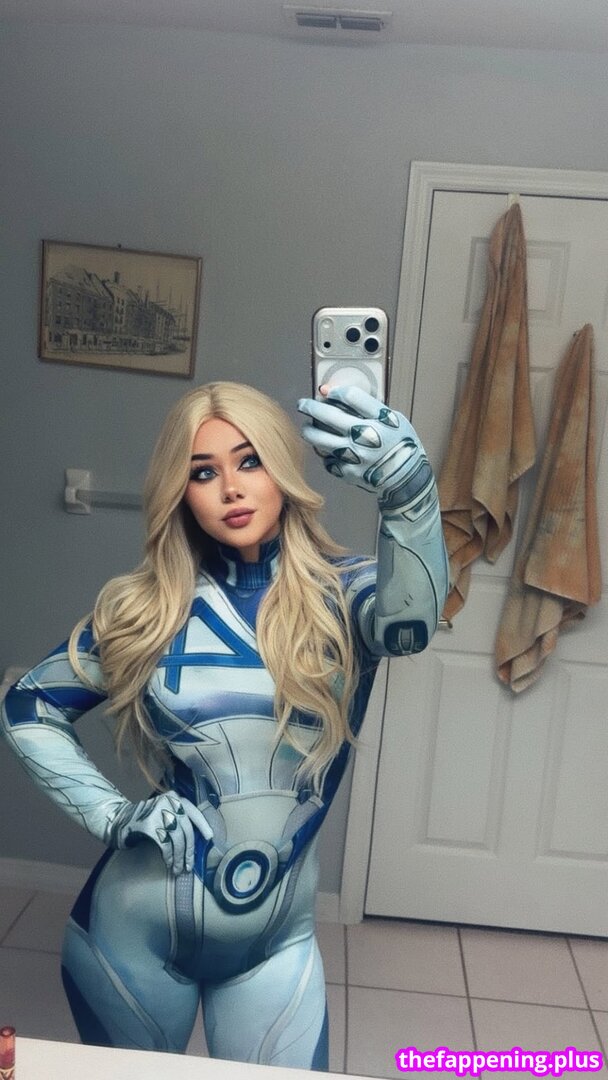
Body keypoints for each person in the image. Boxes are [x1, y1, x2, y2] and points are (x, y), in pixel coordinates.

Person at [0, 380, 448, 1069]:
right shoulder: (143, 609)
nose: (231, 488)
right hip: (131, 938)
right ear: (180, 492)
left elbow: (410, 625)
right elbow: (28, 705)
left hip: (274, 944)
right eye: (203, 472)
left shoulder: (345, 594)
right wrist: (113, 816)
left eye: (250, 461)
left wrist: (410, 493)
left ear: (282, 468)